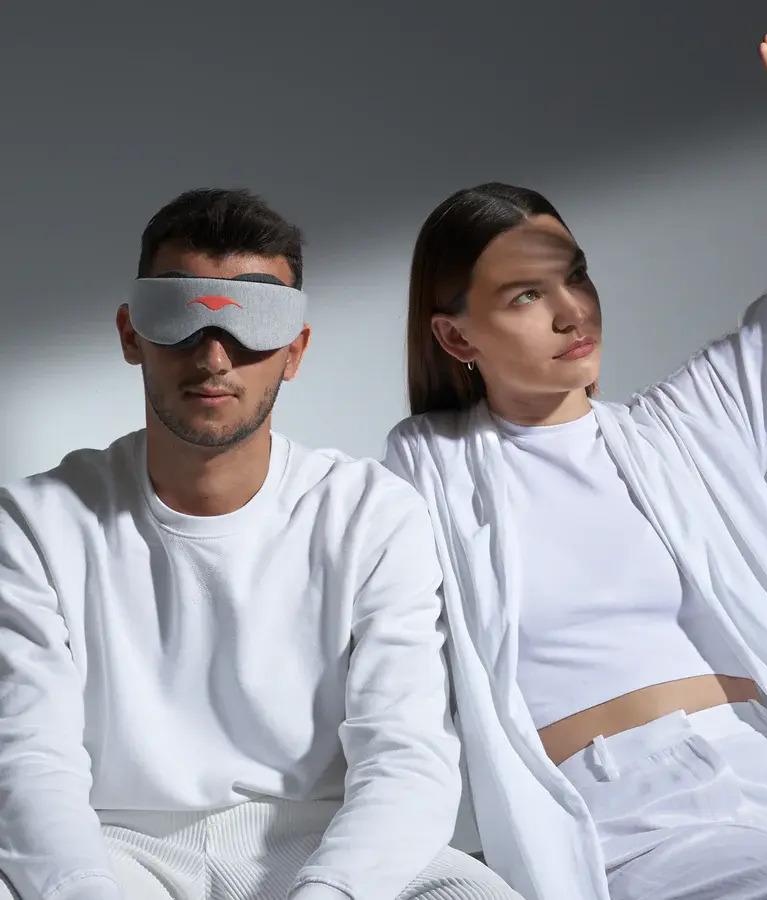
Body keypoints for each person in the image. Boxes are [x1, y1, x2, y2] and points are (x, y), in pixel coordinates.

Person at [383, 28, 767, 900]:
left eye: (573, 277)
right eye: (524, 295)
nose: (570, 311)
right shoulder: (425, 471)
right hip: (634, 820)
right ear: (454, 335)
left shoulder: (684, 429)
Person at [0, 189, 520, 900]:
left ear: (294, 349)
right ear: (131, 335)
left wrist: (332, 892)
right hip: (113, 851)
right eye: (179, 321)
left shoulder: (370, 515)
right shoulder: (34, 524)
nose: (214, 356)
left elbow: (406, 753)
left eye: (253, 327)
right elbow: (28, 760)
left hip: (323, 844)